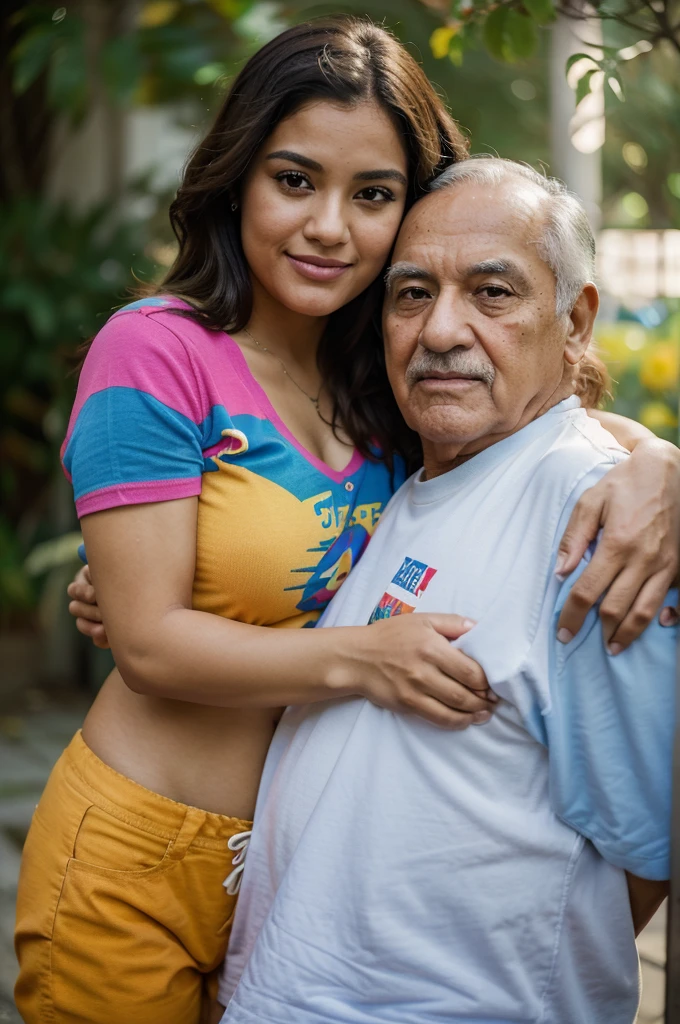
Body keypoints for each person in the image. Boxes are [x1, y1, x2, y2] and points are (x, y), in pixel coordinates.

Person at [14, 16, 678, 1024]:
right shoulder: (157, 350)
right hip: (137, 850)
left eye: (371, 195)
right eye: (293, 180)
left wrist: (656, 466)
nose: (328, 227)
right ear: (235, 178)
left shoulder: (386, 373)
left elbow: (541, 425)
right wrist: (362, 656)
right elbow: (148, 642)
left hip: (277, 879)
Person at [218, 159, 676, 1024]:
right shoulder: (411, 477)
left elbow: (650, 847)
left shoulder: (596, 521)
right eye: (411, 293)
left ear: (575, 322)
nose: (440, 331)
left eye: (493, 293)